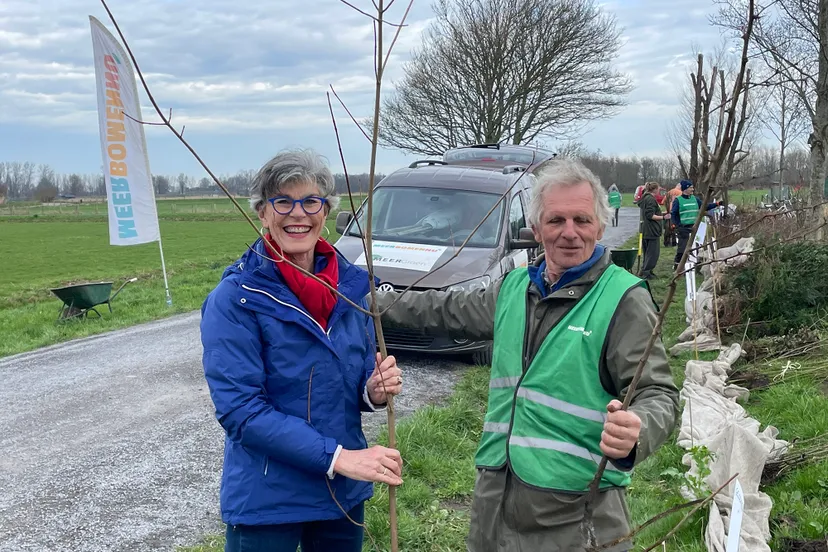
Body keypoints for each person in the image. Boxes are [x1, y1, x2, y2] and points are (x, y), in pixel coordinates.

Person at [376, 158, 679, 551]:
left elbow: (659, 392)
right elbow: (441, 308)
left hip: (575, 515)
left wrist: (638, 429)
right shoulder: (515, 287)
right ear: (536, 229)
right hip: (495, 501)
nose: (570, 233)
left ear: (600, 226)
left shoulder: (623, 299)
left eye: (582, 220)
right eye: (556, 221)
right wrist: (368, 300)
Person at [200, 149, 405, 552]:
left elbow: (349, 374)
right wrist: (338, 457)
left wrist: (371, 390)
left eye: (311, 201)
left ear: (326, 211)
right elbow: (241, 410)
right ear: (262, 213)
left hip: (340, 497)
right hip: (267, 500)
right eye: (283, 201)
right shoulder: (236, 299)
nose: (299, 214)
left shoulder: (349, 289)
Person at [671, 179, 721, 270]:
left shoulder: (695, 199)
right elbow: (673, 214)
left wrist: (716, 204)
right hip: (683, 228)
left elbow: (704, 206)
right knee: (682, 248)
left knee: (698, 247)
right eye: (691, 187)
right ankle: (678, 266)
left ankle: (696, 266)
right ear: (685, 189)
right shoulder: (678, 200)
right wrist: (677, 225)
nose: (693, 189)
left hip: (695, 227)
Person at [638, 181, 669, 280]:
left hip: (646, 230)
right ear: (655, 189)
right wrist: (663, 218)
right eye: (658, 188)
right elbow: (650, 215)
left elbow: (652, 212)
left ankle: (645, 270)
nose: (659, 190)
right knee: (653, 253)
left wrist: (663, 213)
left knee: (647, 252)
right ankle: (647, 272)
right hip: (652, 230)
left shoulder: (645, 198)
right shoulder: (650, 199)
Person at [662, 183, 682, 247]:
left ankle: (666, 242)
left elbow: (663, 202)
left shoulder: (669, 192)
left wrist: (667, 208)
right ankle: (674, 242)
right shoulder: (680, 193)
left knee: (668, 227)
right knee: (674, 227)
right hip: (676, 213)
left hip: (668, 212)